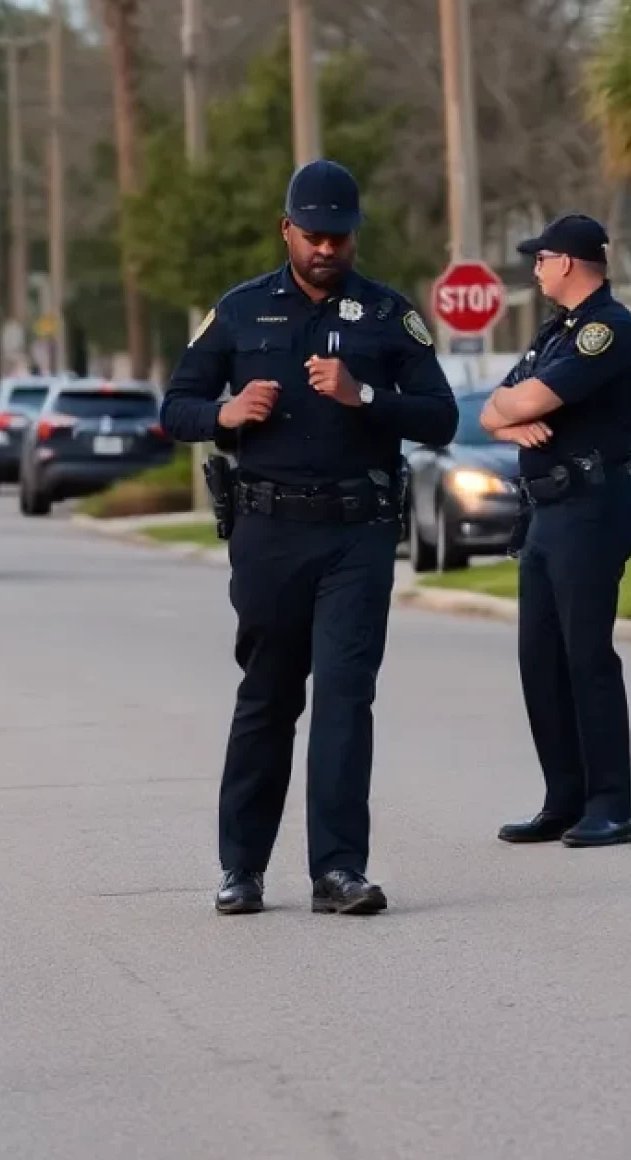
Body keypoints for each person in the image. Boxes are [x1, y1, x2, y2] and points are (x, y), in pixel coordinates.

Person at [161, 159, 458, 917]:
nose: (328, 248)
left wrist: (367, 398)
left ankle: (338, 870)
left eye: (341, 236)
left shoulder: (389, 317)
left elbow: (441, 417)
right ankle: (242, 868)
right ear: (286, 229)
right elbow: (177, 405)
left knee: (345, 698)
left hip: (357, 533)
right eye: (315, 234)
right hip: (268, 531)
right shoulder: (239, 310)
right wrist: (225, 415)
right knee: (267, 695)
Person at [480, 214, 631, 849]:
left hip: (591, 503)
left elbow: (521, 402)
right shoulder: (558, 332)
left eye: (542, 258)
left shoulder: (607, 330)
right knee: (540, 659)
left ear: (570, 263)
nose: (536, 268)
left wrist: (515, 410)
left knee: (586, 655)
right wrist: (511, 418)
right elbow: (498, 403)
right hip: (547, 511)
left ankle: (610, 804)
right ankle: (564, 797)